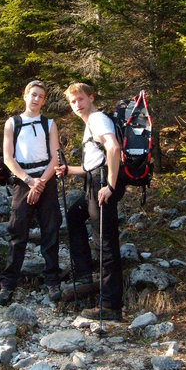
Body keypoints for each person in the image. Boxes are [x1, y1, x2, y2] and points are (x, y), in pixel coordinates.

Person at [56, 82, 125, 321]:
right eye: (73, 102)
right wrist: (68, 170)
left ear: (91, 98)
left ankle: (110, 305)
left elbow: (113, 149)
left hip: (102, 185)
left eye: (80, 99)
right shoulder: (90, 124)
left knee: (105, 242)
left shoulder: (97, 119)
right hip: (93, 183)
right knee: (75, 215)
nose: (77, 105)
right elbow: (90, 165)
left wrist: (111, 187)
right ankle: (84, 274)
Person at [0, 80, 62, 305]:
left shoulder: (49, 124)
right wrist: (29, 181)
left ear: (44, 100)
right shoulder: (12, 123)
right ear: (25, 96)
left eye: (41, 96)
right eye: (33, 94)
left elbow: (56, 158)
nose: (36, 99)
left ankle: (53, 281)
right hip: (23, 182)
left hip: (46, 180)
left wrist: (40, 183)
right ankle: (8, 284)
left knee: (50, 232)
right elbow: (7, 158)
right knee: (17, 233)